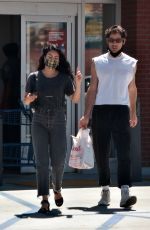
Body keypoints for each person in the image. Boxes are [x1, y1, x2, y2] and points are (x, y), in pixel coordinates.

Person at [80, 25, 138, 208]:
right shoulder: (97, 61)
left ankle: (125, 191)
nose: (114, 43)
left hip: (121, 111)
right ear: (107, 41)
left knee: (124, 152)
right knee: (101, 152)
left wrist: (133, 112)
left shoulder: (131, 62)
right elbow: (93, 88)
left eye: (118, 40)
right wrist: (86, 115)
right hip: (101, 110)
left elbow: (132, 88)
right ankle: (105, 190)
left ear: (123, 41)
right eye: (111, 40)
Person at [24, 44, 82, 213]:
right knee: (42, 163)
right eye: (50, 56)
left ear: (59, 60)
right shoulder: (34, 77)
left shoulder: (64, 78)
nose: (53, 60)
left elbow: (75, 99)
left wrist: (78, 83)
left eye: (56, 58)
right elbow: (26, 100)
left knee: (58, 161)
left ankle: (57, 188)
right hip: (39, 120)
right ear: (44, 57)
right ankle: (44, 200)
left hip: (58, 120)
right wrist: (30, 98)